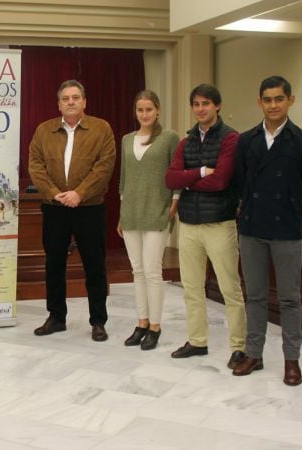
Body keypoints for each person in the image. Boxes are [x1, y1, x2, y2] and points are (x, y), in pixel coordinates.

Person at [231, 76, 302, 386]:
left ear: (290, 101)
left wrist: (295, 214)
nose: (273, 105)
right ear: (260, 103)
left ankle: (291, 360)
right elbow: (239, 183)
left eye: (279, 99)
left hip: (287, 230)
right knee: (254, 296)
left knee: (289, 299)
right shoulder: (247, 140)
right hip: (252, 227)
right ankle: (253, 354)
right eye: (267, 100)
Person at [165, 84, 247, 368]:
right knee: (192, 288)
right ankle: (197, 341)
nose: (201, 109)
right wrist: (199, 172)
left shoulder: (230, 139)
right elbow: (170, 179)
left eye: (206, 104)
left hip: (219, 223)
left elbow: (222, 180)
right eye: (196, 104)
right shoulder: (185, 142)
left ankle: (238, 347)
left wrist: (187, 179)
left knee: (229, 289)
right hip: (188, 223)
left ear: (217, 106)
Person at [28, 79, 116, 342]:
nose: (70, 102)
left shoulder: (101, 129)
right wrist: (55, 193)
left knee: (95, 266)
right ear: (58, 104)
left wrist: (80, 193)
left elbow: (104, 166)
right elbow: (35, 165)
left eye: (75, 97)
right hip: (54, 208)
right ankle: (56, 317)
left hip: (89, 207)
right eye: (65, 98)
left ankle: (98, 321)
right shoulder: (44, 131)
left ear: (84, 102)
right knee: (54, 264)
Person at [117, 90, 180, 351]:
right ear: (136, 112)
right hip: (131, 213)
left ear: (158, 111)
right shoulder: (126, 139)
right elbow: (123, 180)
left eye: (149, 110)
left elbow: (176, 176)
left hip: (157, 212)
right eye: (140, 110)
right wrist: (122, 214)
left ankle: (155, 326)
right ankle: (141, 322)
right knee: (137, 271)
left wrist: (173, 207)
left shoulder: (169, 138)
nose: (145, 114)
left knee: (153, 272)